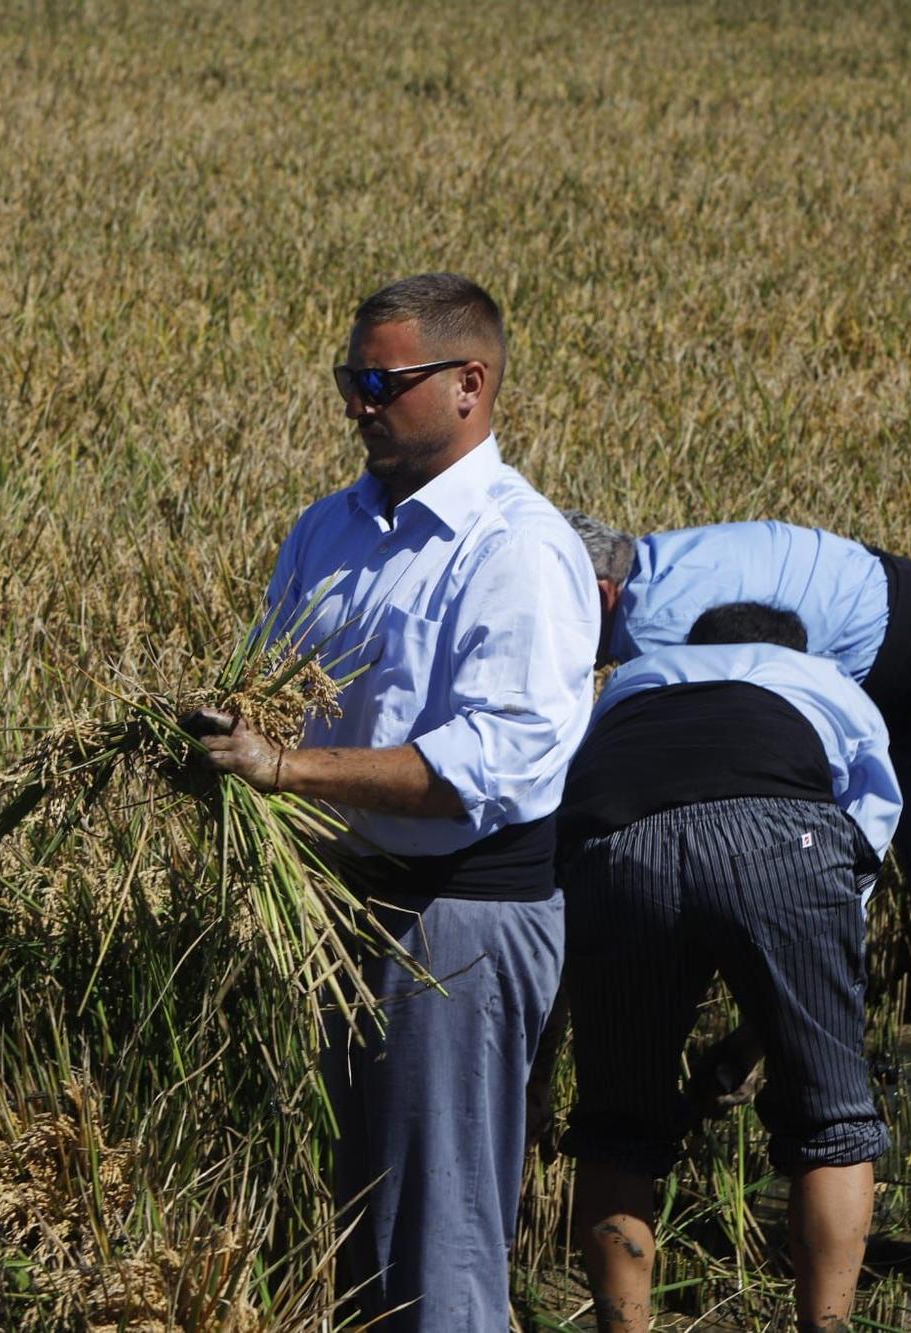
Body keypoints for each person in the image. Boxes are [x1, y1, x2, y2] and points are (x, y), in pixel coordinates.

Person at [193, 273, 597, 1330]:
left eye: (382, 380)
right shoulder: (326, 530)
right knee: (352, 1228)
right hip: (337, 907)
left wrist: (284, 772)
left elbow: (494, 759)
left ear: (469, 385)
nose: (357, 402)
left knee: (438, 1233)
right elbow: (267, 688)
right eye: (348, 378)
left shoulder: (515, 547)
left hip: (457, 921)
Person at [560, 512, 911, 1149]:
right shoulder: (657, 568)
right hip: (871, 673)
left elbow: (718, 831)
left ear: (599, 593)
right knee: (788, 869)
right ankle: (747, 1053)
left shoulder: (664, 634)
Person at [559, 602, 899, 1333]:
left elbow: (571, 801)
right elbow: (855, 864)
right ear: (794, 648)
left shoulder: (630, 682)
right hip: (780, 834)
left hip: (621, 848)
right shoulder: (826, 681)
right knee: (831, 1117)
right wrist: (764, 1037)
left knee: (618, 1123)